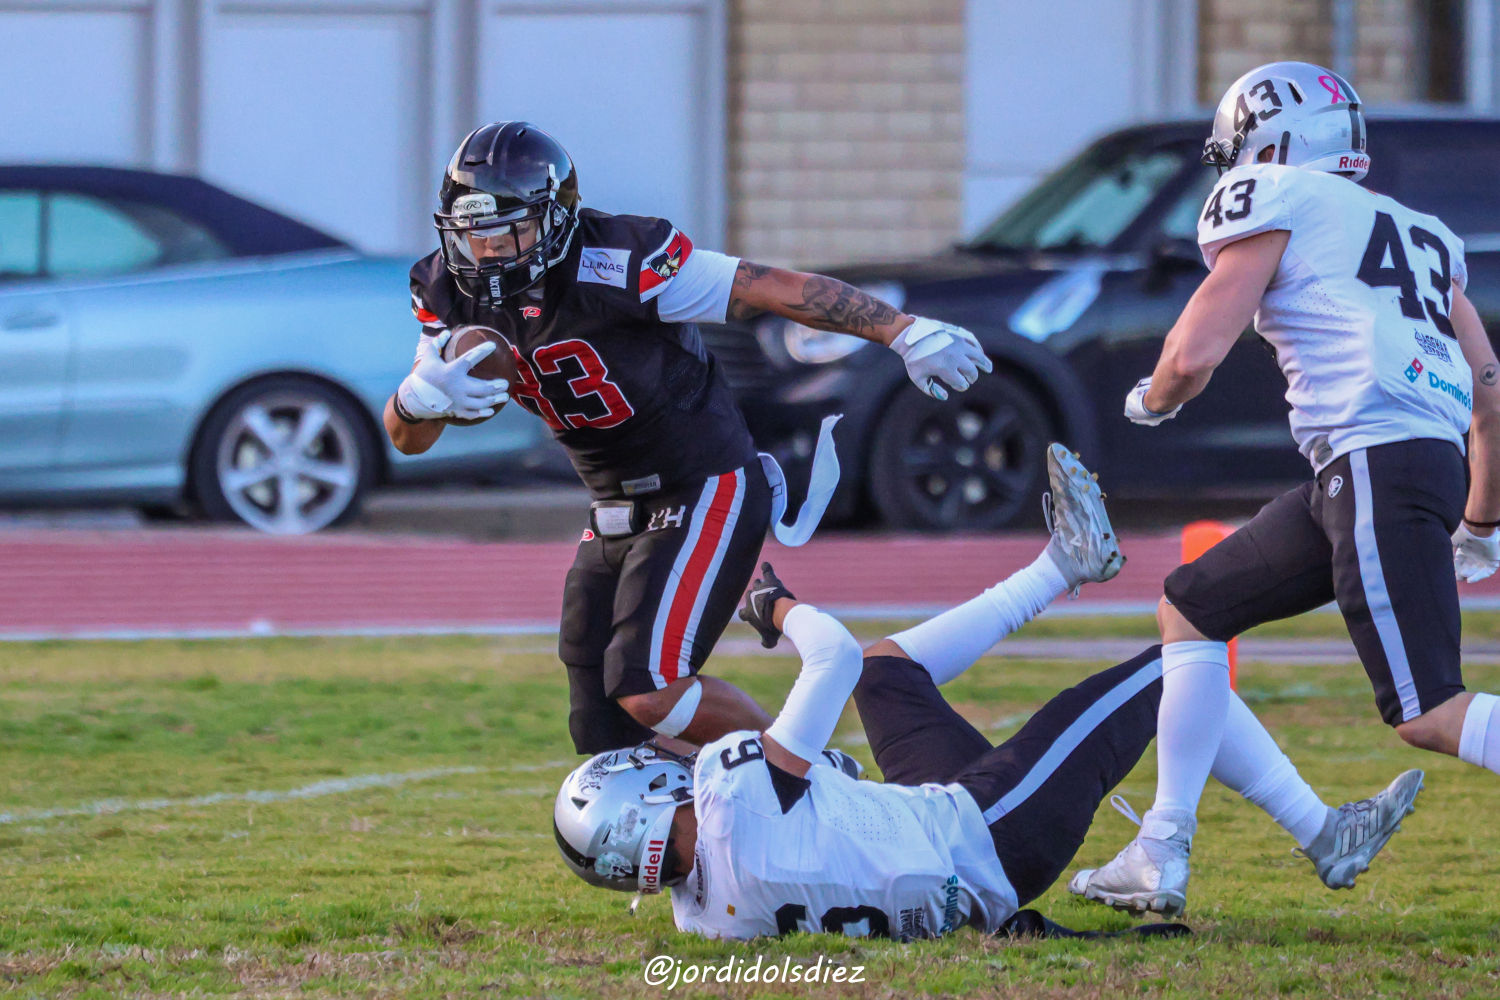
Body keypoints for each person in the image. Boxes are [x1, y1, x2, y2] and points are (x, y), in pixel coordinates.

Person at [551, 446, 1422, 939]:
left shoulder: (700, 922)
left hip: (941, 827)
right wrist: (774, 607)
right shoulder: (736, 792)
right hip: (993, 838)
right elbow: (833, 659)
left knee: (896, 670)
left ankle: (1063, 566)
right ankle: (1294, 837)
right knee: (1175, 663)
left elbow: (860, 688)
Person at [383, 122, 993, 755]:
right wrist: (415, 399)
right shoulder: (446, 295)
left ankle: (814, 777)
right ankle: (698, 837)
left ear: (556, 218)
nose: (489, 252)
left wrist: (900, 330)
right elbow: (407, 440)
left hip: (703, 482)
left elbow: (769, 286)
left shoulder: (622, 261)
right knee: (603, 727)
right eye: (473, 234)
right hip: (613, 503)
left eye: (510, 230)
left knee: (651, 686)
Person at [1072, 61, 1500, 917]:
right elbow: (1489, 389)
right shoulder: (1420, 230)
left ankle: (1171, 846)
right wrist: (1482, 518)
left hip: (1374, 460)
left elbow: (1193, 353)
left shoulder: (1276, 197)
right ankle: (1166, 845)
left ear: (1269, 139)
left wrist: (1149, 400)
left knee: (1426, 710)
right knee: (1191, 606)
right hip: (1384, 467)